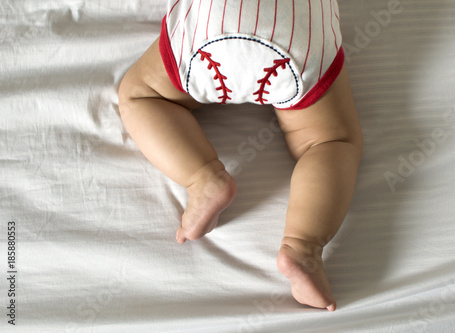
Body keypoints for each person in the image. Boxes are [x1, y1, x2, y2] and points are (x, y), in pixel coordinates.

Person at [118, 0, 362, 312]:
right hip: (296, 42)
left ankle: (202, 177)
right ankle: (304, 247)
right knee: (329, 140)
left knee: (140, 96)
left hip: (207, 38)